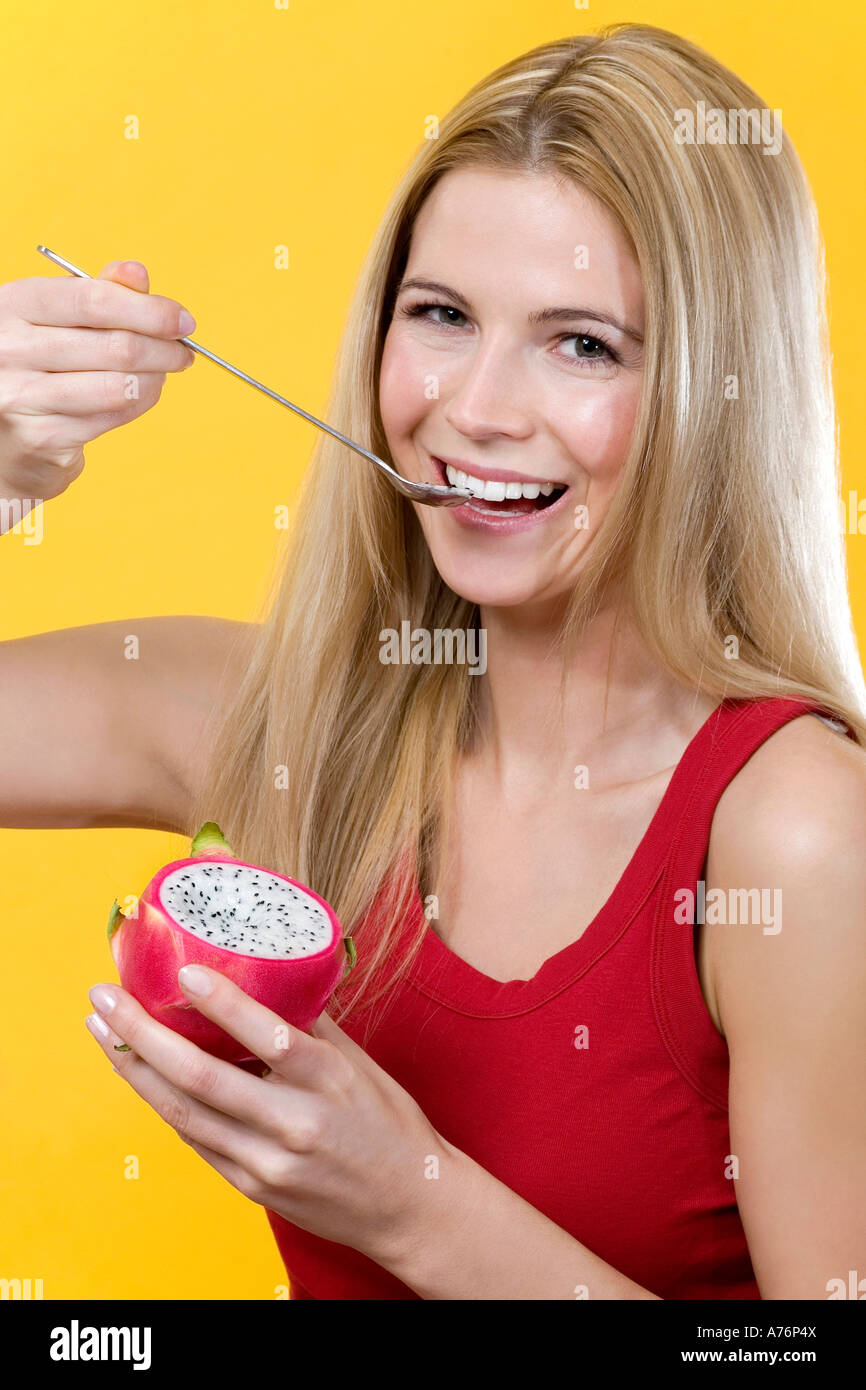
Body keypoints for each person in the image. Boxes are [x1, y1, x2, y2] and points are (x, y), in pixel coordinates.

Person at [2, 22, 864, 1300]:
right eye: (441, 315)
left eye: (581, 344)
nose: (474, 409)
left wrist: (412, 1204)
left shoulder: (794, 834)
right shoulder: (287, 720)